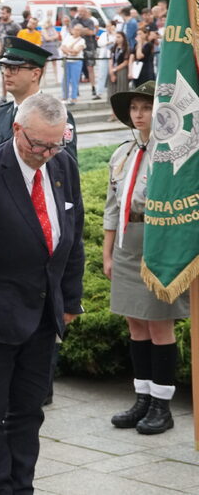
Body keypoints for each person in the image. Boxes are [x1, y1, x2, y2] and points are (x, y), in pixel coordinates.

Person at [0, 92, 85, 494]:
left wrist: (69, 300)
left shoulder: (63, 165)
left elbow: (73, 238)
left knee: (28, 412)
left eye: (54, 145)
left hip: (42, 318)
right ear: (17, 129)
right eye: (37, 144)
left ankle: (22, 486)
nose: (45, 154)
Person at [105, 82, 187, 435]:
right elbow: (112, 207)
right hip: (127, 243)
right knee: (134, 322)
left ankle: (162, 405)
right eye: (134, 108)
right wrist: (108, 252)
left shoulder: (171, 154)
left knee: (158, 324)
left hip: (158, 242)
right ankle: (142, 397)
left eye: (146, 107)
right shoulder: (122, 153)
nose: (139, 114)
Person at [0, 37, 79, 161]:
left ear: (35, 74)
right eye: (4, 67)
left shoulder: (56, 114)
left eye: (13, 68)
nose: (6, 73)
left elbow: (65, 165)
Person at [0, 6, 22, 104]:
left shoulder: (15, 25)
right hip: (2, 54)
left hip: (12, 54)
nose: (2, 15)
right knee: (4, 75)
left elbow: (20, 39)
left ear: (9, 14)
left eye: (4, 13)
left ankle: (19, 96)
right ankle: (4, 97)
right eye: (1, 13)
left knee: (16, 76)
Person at [60, 25, 85, 105]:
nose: (76, 31)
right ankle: (65, 96)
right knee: (65, 80)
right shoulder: (68, 37)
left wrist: (67, 50)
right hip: (67, 61)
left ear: (81, 32)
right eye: (75, 29)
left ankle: (74, 97)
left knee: (74, 80)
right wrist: (70, 51)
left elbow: (76, 52)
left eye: (78, 30)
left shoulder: (82, 40)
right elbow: (62, 47)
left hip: (76, 62)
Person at [108, 32, 130, 120]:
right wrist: (111, 71)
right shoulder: (113, 48)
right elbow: (110, 60)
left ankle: (122, 114)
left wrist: (115, 69)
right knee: (112, 93)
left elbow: (126, 62)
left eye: (119, 37)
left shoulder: (126, 49)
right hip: (113, 70)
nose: (117, 39)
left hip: (121, 71)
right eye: (116, 37)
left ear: (123, 38)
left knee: (121, 91)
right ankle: (113, 113)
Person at [95, 21, 115, 101]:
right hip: (103, 57)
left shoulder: (116, 34)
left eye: (109, 26)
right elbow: (99, 43)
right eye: (107, 26)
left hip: (112, 57)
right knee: (101, 75)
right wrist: (108, 42)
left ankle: (112, 92)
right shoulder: (103, 34)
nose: (108, 28)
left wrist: (113, 33)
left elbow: (116, 42)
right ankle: (99, 93)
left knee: (112, 75)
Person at [41, 18, 61, 86]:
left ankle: (56, 79)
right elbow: (47, 38)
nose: (49, 24)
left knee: (54, 64)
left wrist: (51, 38)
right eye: (47, 22)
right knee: (45, 64)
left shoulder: (53, 29)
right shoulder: (43, 30)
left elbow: (57, 36)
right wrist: (53, 37)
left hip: (53, 47)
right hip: (46, 48)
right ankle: (43, 79)